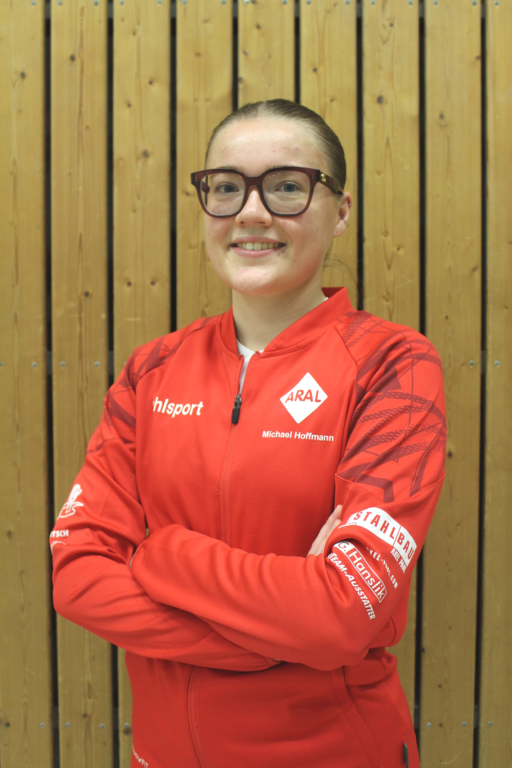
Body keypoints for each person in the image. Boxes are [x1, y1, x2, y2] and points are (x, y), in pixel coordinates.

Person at [50, 99, 446, 768]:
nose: (251, 212)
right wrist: (277, 639)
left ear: (341, 210)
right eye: (227, 186)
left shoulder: (393, 365)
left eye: (287, 186)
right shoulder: (151, 370)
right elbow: (78, 579)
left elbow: (343, 613)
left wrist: (161, 554)